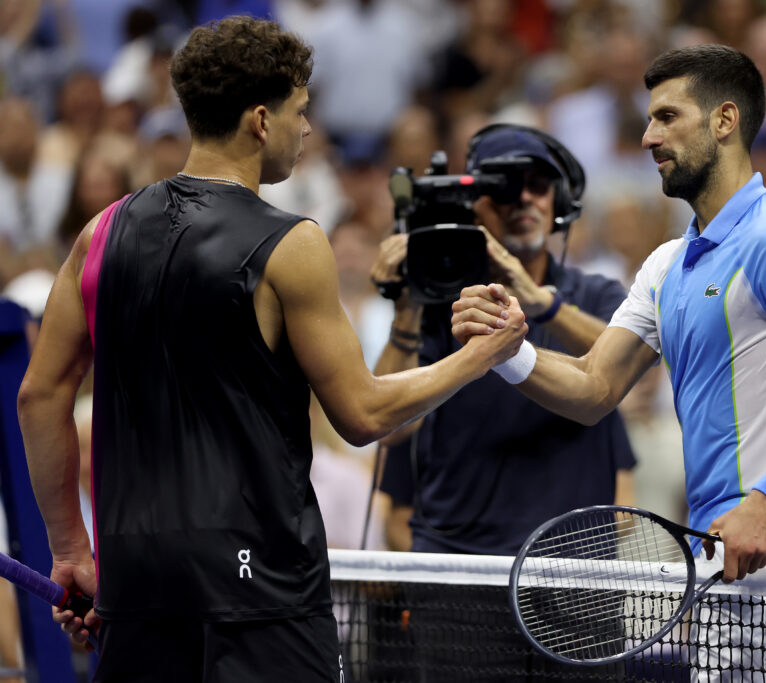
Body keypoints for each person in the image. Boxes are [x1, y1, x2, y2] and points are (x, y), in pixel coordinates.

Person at [16, 16, 526, 682]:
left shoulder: (100, 232)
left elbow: (39, 395)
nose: (307, 129)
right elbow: (364, 413)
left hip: (135, 582)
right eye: (300, 110)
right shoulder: (293, 243)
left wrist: (70, 549)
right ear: (261, 120)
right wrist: (481, 354)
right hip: (260, 590)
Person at [452, 45, 766, 680]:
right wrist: (508, 350)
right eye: (650, 118)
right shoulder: (664, 265)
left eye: (667, 117)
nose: (649, 137)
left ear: (725, 120)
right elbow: (594, 386)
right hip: (717, 554)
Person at [371, 124, 636, 681]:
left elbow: (635, 361)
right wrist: (407, 307)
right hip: (461, 574)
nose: (524, 201)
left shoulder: (595, 296)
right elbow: (387, 429)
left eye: (538, 186)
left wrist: (540, 303)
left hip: (576, 576)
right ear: (473, 207)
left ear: (561, 202)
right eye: (503, 190)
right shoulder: (441, 298)